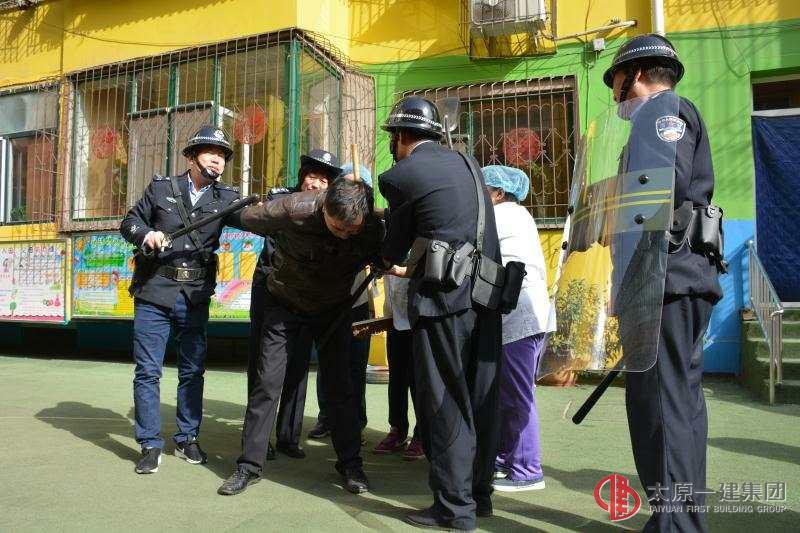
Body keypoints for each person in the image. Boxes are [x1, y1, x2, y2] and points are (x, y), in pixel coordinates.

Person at [603, 33, 723, 532]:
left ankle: (677, 527)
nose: (615, 95)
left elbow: (657, 193)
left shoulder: (660, 110)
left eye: (617, 81)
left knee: (663, 411)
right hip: (678, 279)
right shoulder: (669, 114)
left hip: (664, 282)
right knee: (678, 407)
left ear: (637, 74)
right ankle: (677, 520)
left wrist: (608, 218)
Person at [379, 96, 502, 530]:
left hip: (444, 302)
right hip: (488, 294)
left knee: (446, 402)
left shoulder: (400, 175)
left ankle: (454, 509)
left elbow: (394, 248)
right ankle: (479, 496)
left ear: (400, 136)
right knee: (481, 399)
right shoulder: (469, 164)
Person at [218, 177, 384, 496]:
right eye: (337, 227)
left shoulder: (372, 227)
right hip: (285, 304)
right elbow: (240, 216)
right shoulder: (291, 209)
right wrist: (220, 201)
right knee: (267, 384)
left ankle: (351, 464)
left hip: (334, 309)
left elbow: (388, 252)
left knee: (341, 388)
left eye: (351, 230)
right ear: (325, 208)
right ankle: (248, 466)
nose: (344, 234)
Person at [120, 125, 244, 474]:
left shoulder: (228, 198)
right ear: (191, 157)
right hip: (154, 292)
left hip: (194, 296)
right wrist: (147, 234)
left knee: (192, 371)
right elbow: (129, 222)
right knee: (148, 371)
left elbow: (258, 219)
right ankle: (149, 443)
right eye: (210, 153)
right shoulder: (162, 189)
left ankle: (187, 437)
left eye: (222, 156)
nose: (217, 161)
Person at [248, 149, 342, 460]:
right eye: (312, 176)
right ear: (302, 177)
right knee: (263, 365)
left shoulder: (330, 211)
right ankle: (259, 439)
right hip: (269, 287)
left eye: (324, 180)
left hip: (305, 294)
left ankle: (288, 435)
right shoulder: (281, 200)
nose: (316, 184)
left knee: (299, 363)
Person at [481, 165, 554, 492]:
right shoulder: (519, 215)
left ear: (498, 193)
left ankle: (527, 470)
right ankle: (505, 457)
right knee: (508, 392)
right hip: (524, 317)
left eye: (484, 189)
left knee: (517, 396)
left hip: (519, 319)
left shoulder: (503, 215)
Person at [308, 162, 373, 442]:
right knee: (328, 363)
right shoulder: (324, 218)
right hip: (328, 303)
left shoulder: (369, 225)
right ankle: (327, 417)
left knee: (355, 366)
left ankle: (355, 421)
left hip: (357, 302)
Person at [372, 273, 425, 460]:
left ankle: (422, 434)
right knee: (396, 379)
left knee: (419, 381)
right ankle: (397, 429)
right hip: (394, 316)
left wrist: (395, 267)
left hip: (419, 318)